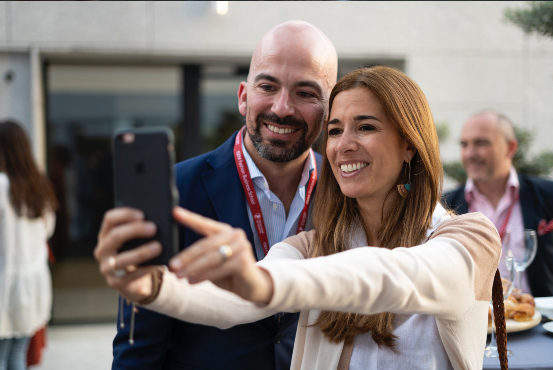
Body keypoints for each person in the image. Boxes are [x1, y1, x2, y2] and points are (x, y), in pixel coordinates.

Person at [95, 67, 505, 370]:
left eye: (365, 127)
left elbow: (393, 274)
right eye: (335, 129)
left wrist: (266, 284)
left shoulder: (470, 236)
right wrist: (153, 287)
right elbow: (231, 304)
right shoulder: (313, 244)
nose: (343, 146)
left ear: (409, 146)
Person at [106, 21, 337, 370]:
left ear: (328, 108)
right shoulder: (176, 189)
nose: (283, 107)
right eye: (268, 86)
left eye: (305, 92)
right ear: (244, 96)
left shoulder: (347, 192)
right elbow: (139, 347)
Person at [442, 111, 553, 297]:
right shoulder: (444, 206)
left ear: (510, 148)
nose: (469, 153)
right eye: (464, 144)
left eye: (481, 143)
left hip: (536, 318)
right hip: (476, 323)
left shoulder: (548, 195)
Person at [0, 120, 57, 370]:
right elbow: (48, 229)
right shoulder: (39, 182)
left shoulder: (1, 185)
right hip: (33, 282)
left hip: (5, 282)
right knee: (17, 354)